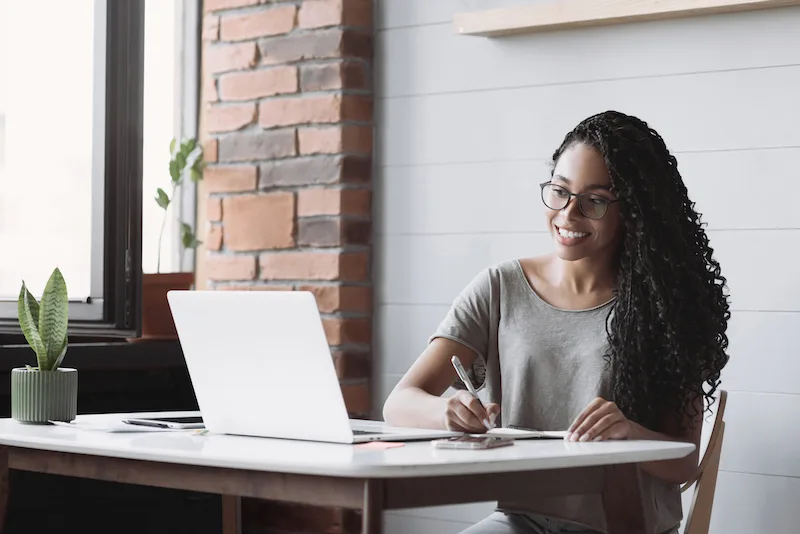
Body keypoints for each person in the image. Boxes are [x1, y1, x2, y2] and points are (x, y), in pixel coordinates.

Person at [382, 110, 730, 534]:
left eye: (595, 200)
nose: (568, 213)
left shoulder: (663, 305)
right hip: (520, 521)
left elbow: (683, 460)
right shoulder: (499, 287)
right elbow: (400, 403)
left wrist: (630, 433)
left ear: (633, 211)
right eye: (559, 191)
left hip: (625, 525)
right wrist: (448, 412)